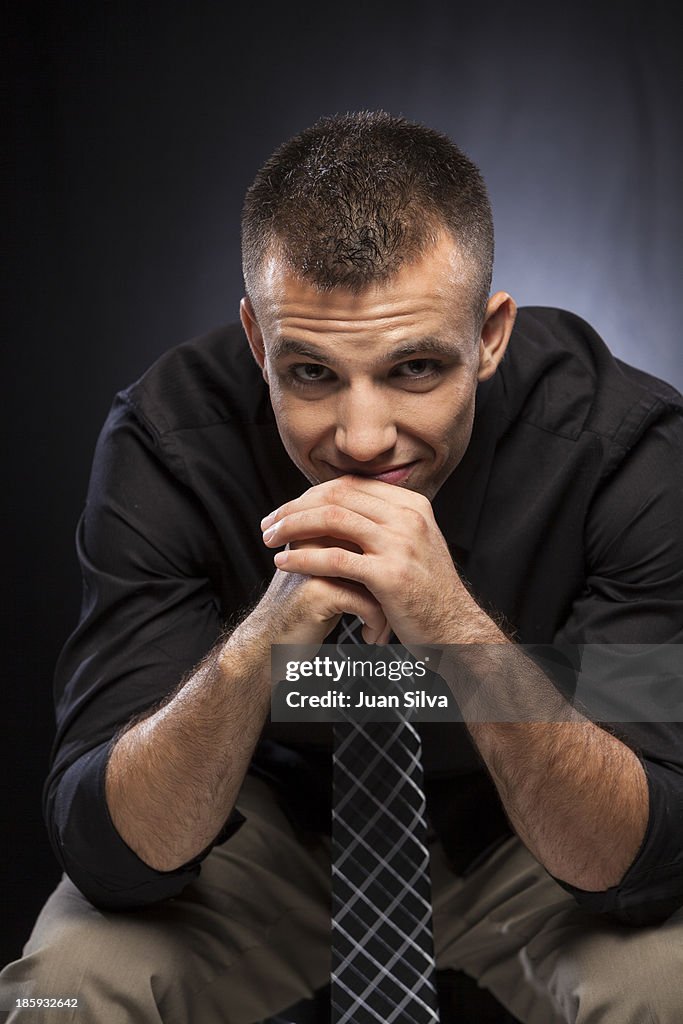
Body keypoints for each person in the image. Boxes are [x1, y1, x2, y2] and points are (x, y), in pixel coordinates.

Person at [2, 110, 683, 1024]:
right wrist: (264, 638)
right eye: (312, 373)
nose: (361, 441)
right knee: (62, 992)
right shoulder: (168, 441)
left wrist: (447, 623)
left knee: (664, 985)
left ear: (488, 336)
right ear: (256, 341)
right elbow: (105, 852)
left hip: (528, 841)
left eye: (413, 368)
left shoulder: (623, 450)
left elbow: (640, 861)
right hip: (266, 833)